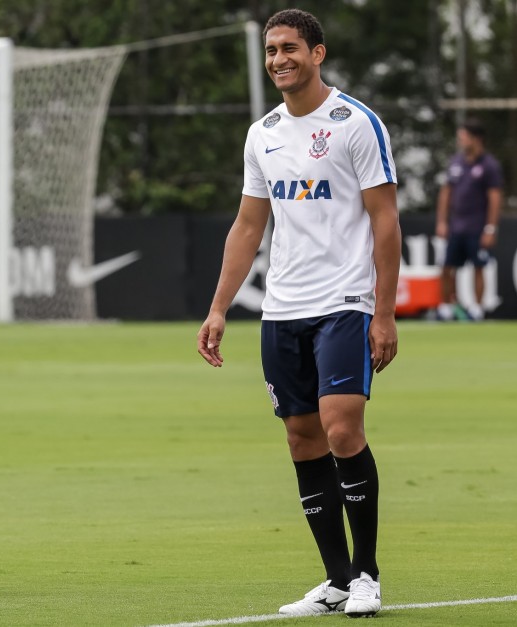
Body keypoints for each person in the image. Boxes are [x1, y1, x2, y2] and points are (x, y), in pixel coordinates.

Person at [196, 9, 400, 619]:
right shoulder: (262, 133)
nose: (279, 59)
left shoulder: (355, 124)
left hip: (345, 302)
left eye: (290, 48)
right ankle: (334, 579)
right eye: (271, 50)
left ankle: (367, 574)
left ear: (318, 54)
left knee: (342, 429)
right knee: (301, 437)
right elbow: (249, 223)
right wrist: (217, 308)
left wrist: (383, 314)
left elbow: (385, 222)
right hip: (282, 310)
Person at [435, 119, 503, 321]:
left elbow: (494, 199)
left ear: (476, 138)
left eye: (463, 137)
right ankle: (446, 308)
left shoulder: (490, 166)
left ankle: (477, 309)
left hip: (478, 227)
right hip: (456, 226)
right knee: (447, 267)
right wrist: (442, 221)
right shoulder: (456, 162)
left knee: (478, 267)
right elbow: (446, 193)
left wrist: (490, 228)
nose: (461, 141)